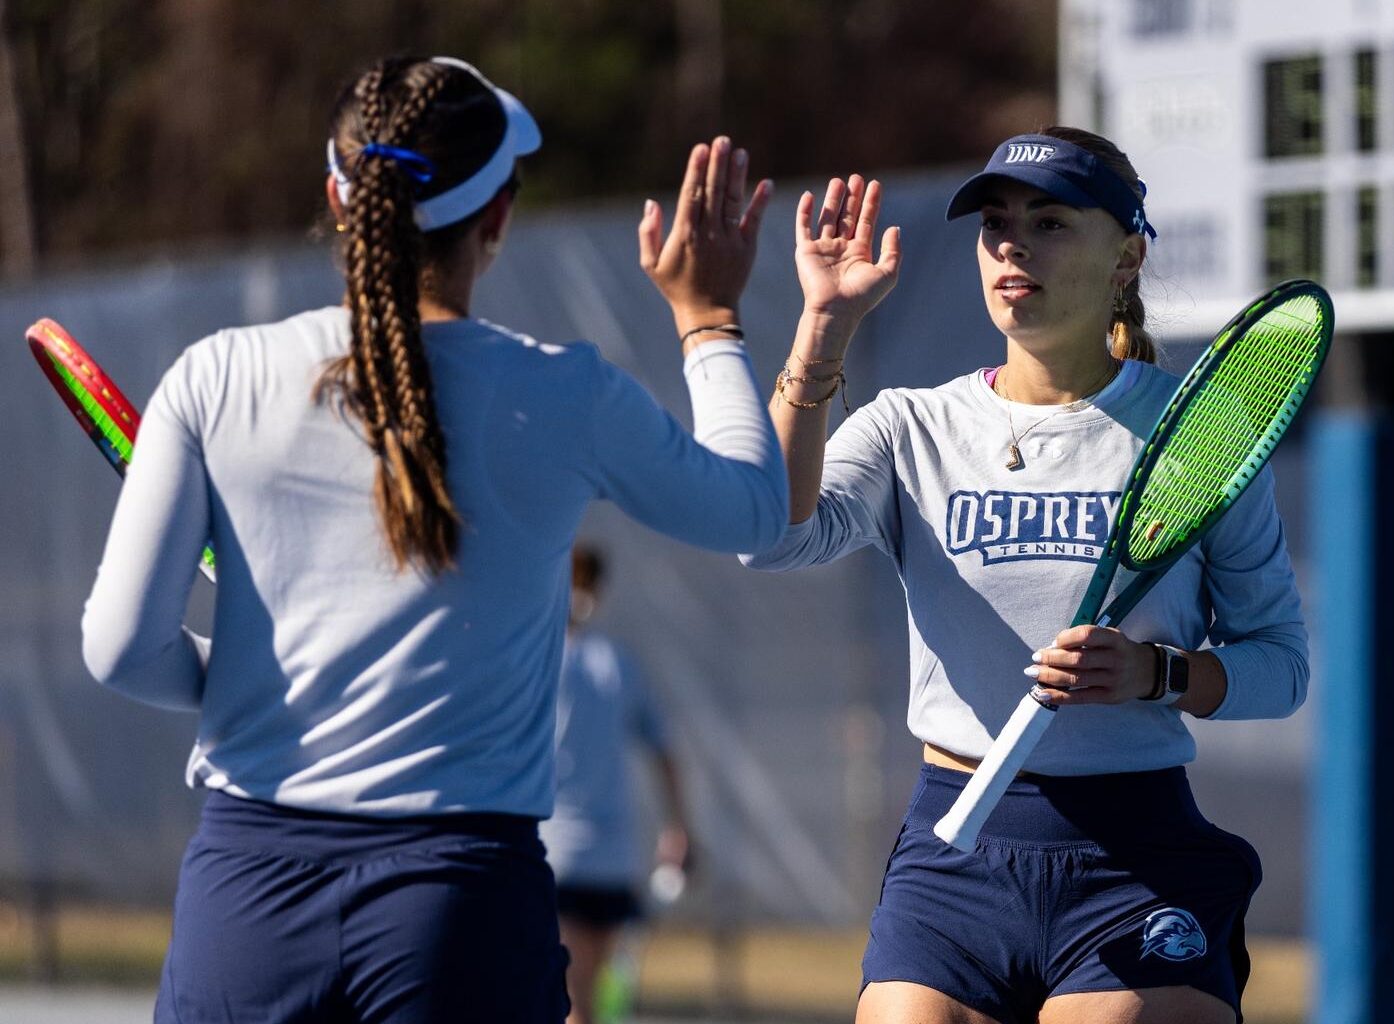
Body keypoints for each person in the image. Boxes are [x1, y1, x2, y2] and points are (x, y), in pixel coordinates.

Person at [80, 54, 785, 1023]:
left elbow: (120, 649)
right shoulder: (567, 394)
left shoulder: (214, 376)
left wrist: (251, 672)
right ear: (497, 220)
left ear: (338, 197)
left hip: (245, 904)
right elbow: (755, 512)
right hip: (462, 910)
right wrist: (708, 320)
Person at [741, 127, 1309, 1024]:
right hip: (954, 855)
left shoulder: (1205, 434)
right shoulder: (909, 426)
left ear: (1127, 256)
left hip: (1135, 856)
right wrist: (823, 329)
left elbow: (1281, 666)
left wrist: (1155, 674)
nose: (1013, 245)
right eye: (996, 224)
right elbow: (769, 536)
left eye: (1049, 223)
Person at [545, 543, 693, 1024]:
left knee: (576, 1000)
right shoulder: (615, 663)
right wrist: (678, 825)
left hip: (563, 856)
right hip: (606, 861)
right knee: (589, 999)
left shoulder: (542, 662)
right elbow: (664, 752)